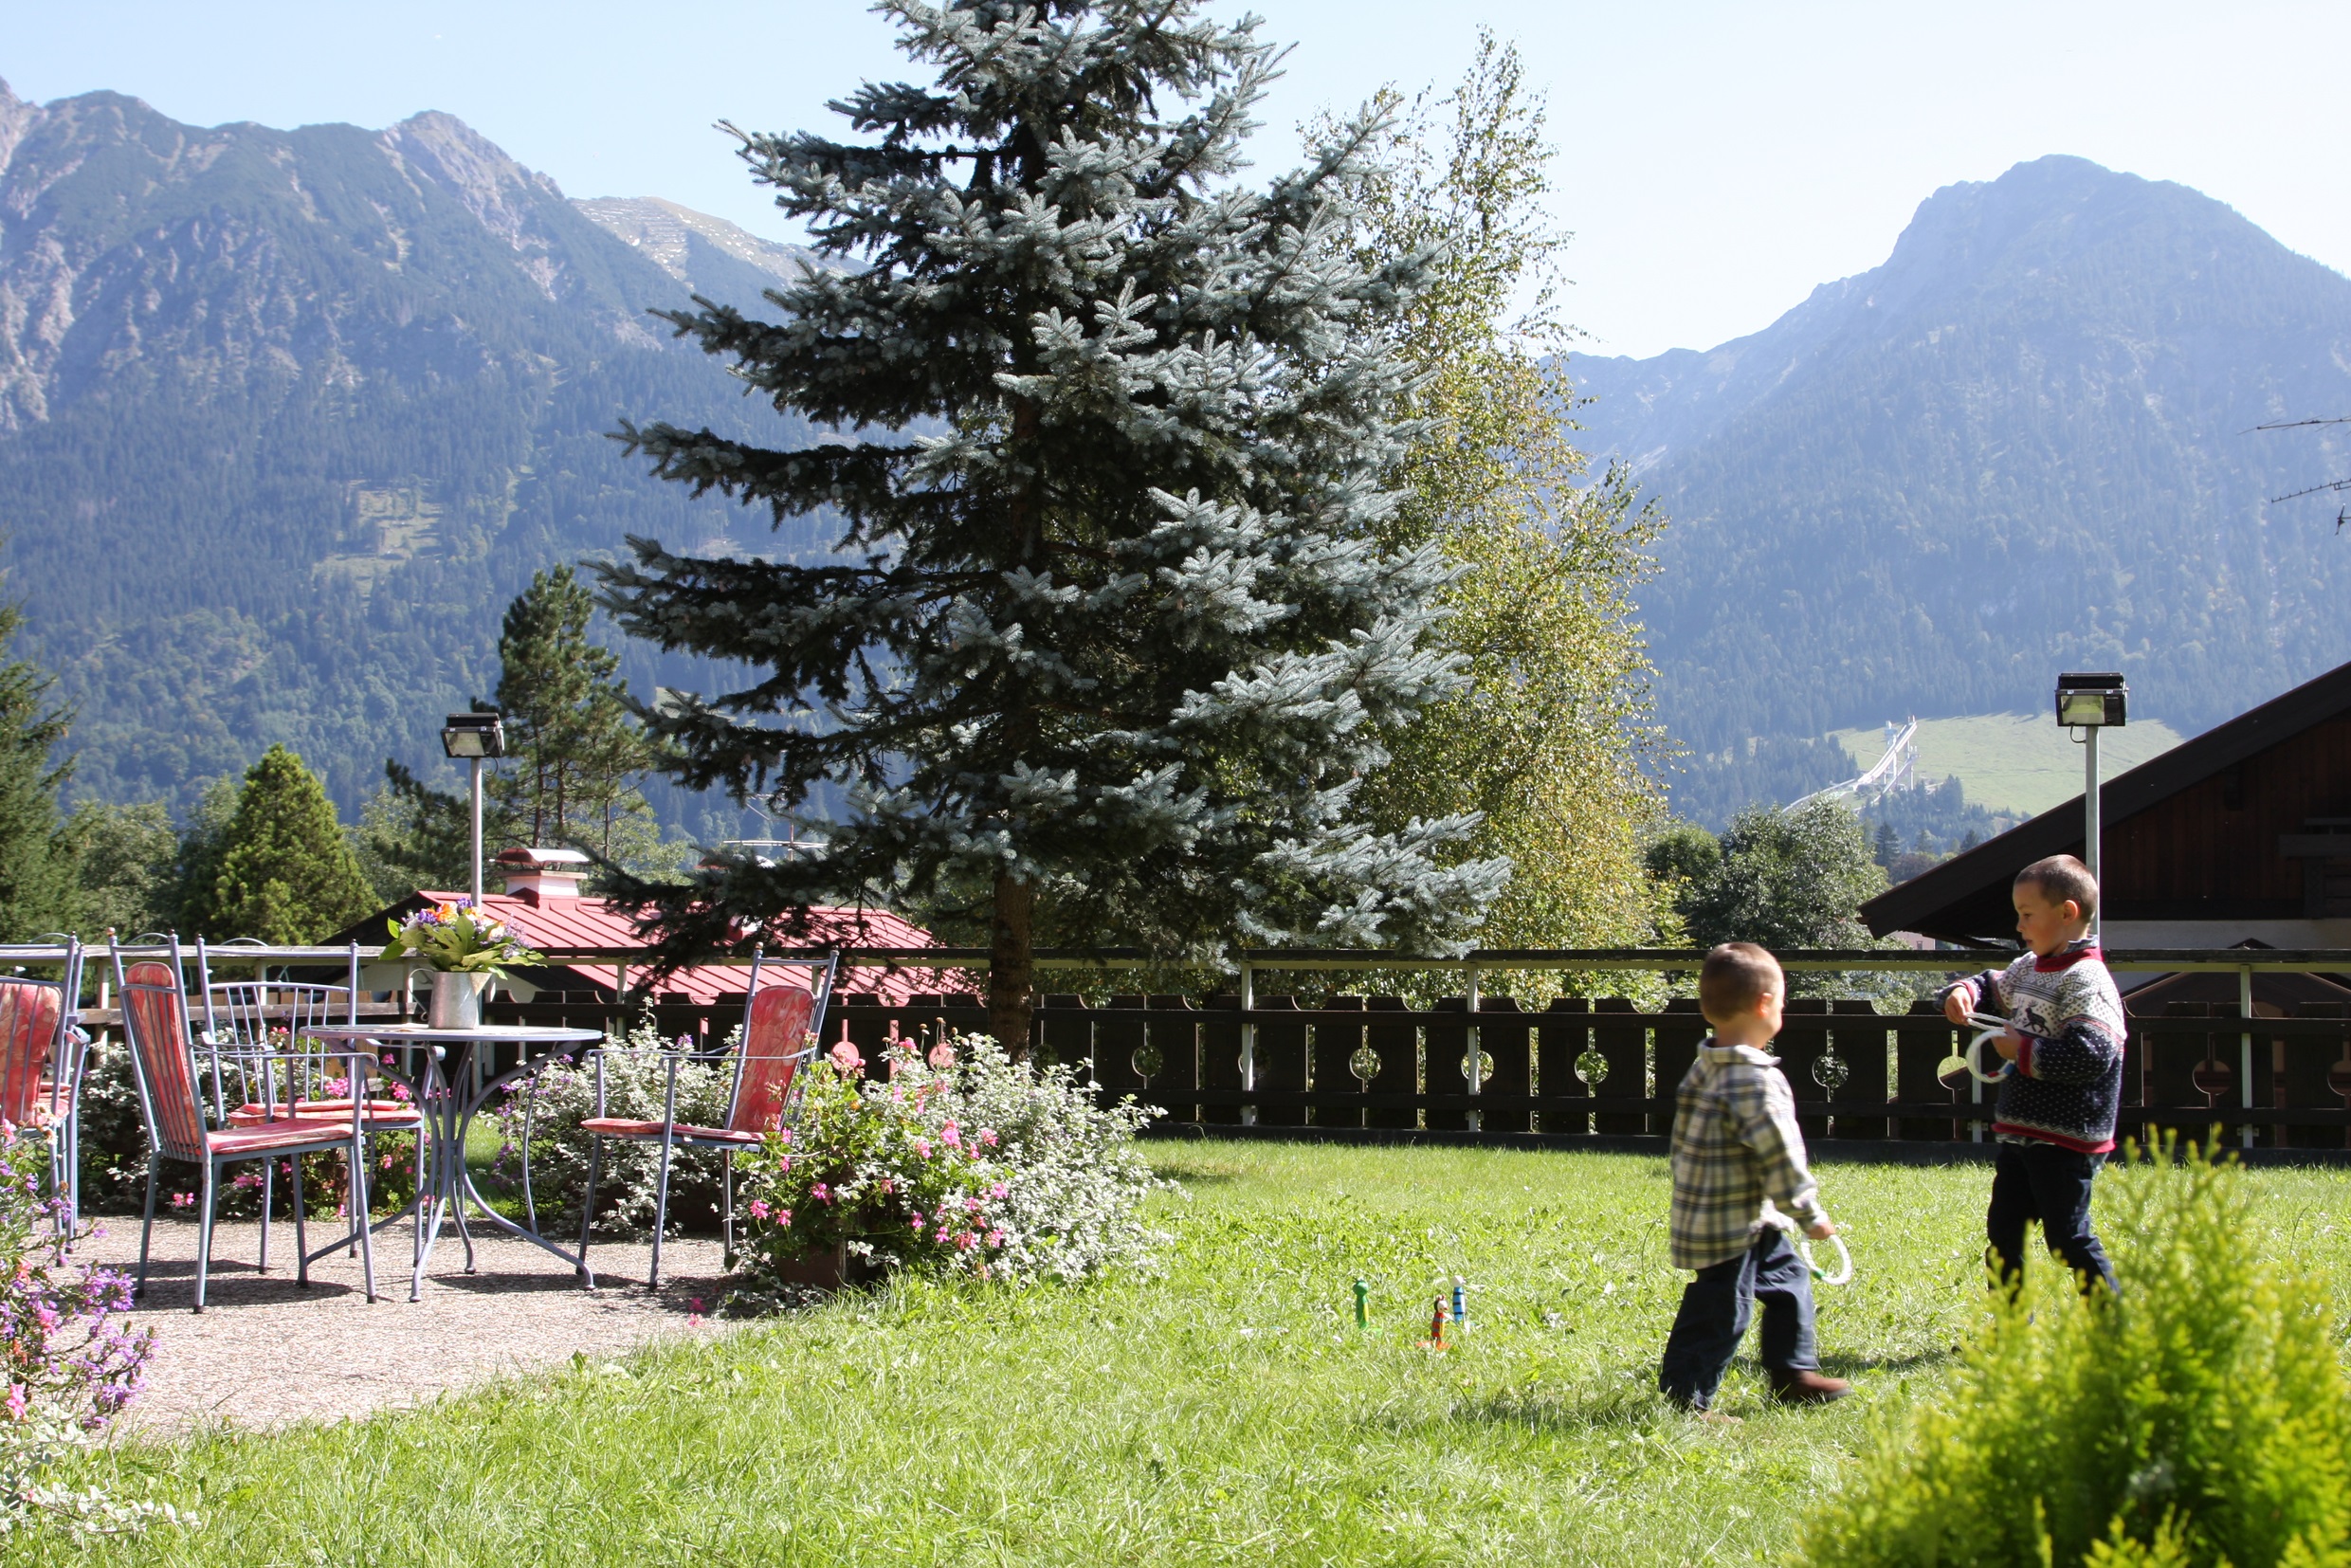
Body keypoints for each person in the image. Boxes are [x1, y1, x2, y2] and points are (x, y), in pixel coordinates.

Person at [1658, 941, 1850, 1418]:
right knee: (1721, 1312)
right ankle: (1685, 1401)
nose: (1782, 1010)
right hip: (1731, 1226)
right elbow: (1780, 1155)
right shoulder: (1756, 1079)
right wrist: (1809, 1214)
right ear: (1765, 1004)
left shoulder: (1705, 1066)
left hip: (1729, 1214)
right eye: (1782, 1002)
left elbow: (1682, 1144)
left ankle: (1793, 1374)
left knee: (1789, 1283)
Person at [1939, 853, 2124, 1296]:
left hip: (2067, 1139)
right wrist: (1961, 993)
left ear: (2066, 913)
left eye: (2026, 915)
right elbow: (1989, 985)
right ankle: (2011, 1331)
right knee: (2004, 1237)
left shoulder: (2087, 980)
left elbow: (2092, 1054)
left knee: (2068, 1239)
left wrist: (2022, 1051)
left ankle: (2113, 1326)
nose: (2019, 927)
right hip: (2022, 1134)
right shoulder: (2029, 968)